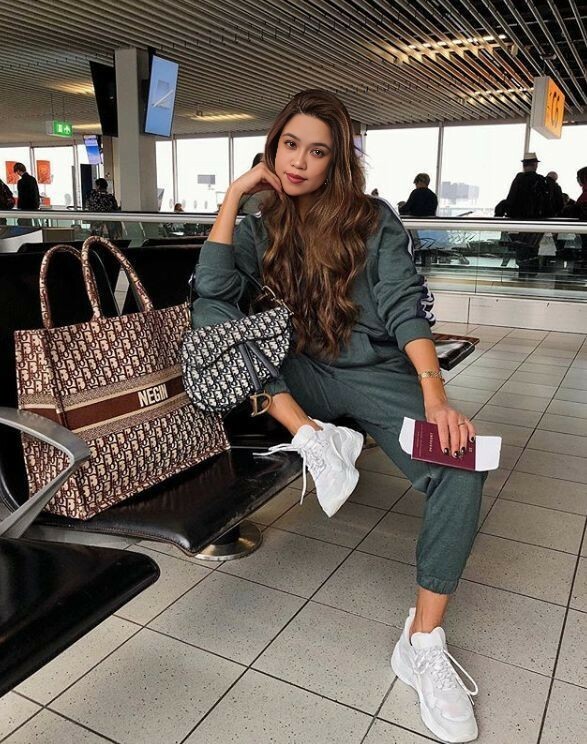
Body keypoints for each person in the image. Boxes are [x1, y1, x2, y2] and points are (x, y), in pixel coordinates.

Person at [192, 89, 485, 744]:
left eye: (317, 151)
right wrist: (235, 195)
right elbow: (212, 293)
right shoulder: (258, 223)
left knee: (462, 467)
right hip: (298, 383)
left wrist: (435, 395)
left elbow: (404, 304)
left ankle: (422, 643)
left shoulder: (371, 219)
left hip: (375, 375)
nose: (298, 162)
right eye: (289, 145)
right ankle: (312, 440)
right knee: (215, 319)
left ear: (336, 162)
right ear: (272, 148)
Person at [505, 152, 557, 278]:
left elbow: (510, 201)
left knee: (522, 251)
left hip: (518, 224)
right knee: (532, 250)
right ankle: (531, 277)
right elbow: (548, 203)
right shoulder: (540, 180)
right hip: (535, 223)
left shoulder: (517, 180)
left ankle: (523, 276)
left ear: (524, 165)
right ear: (535, 165)